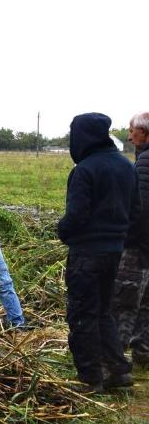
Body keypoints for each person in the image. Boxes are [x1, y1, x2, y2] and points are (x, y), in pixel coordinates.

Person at [57, 112, 139, 392]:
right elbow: (135, 211)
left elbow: (76, 216)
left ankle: (91, 379)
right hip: (114, 252)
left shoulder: (85, 170)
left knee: (82, 314)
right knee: (104, 311)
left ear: (82, 136)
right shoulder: (127, 166)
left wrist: (62, 231)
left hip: (86, 254)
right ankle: (118, 370)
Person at [113, 111, 149, 367]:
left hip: (139, 247)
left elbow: (140, 209)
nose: (129, 135)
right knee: (146, 304)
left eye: (132, 130)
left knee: (125, 301)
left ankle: (114, 363)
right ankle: (143, 355)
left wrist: (126, 240)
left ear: (144, 133)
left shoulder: (145, 162)